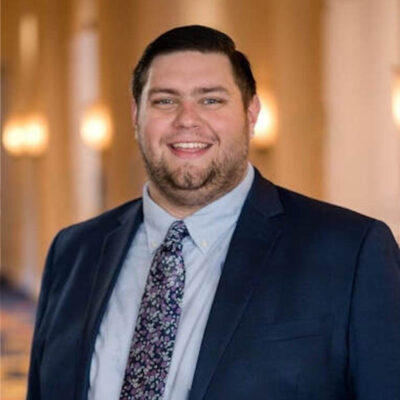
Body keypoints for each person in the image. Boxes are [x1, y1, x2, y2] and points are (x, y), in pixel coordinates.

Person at [27, 25, 400, 400]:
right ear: (136, 116)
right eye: (165, 101)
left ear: (251, 113)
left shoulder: (350, 252)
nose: (187, 119)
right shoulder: (73, 251)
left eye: (211, 100)